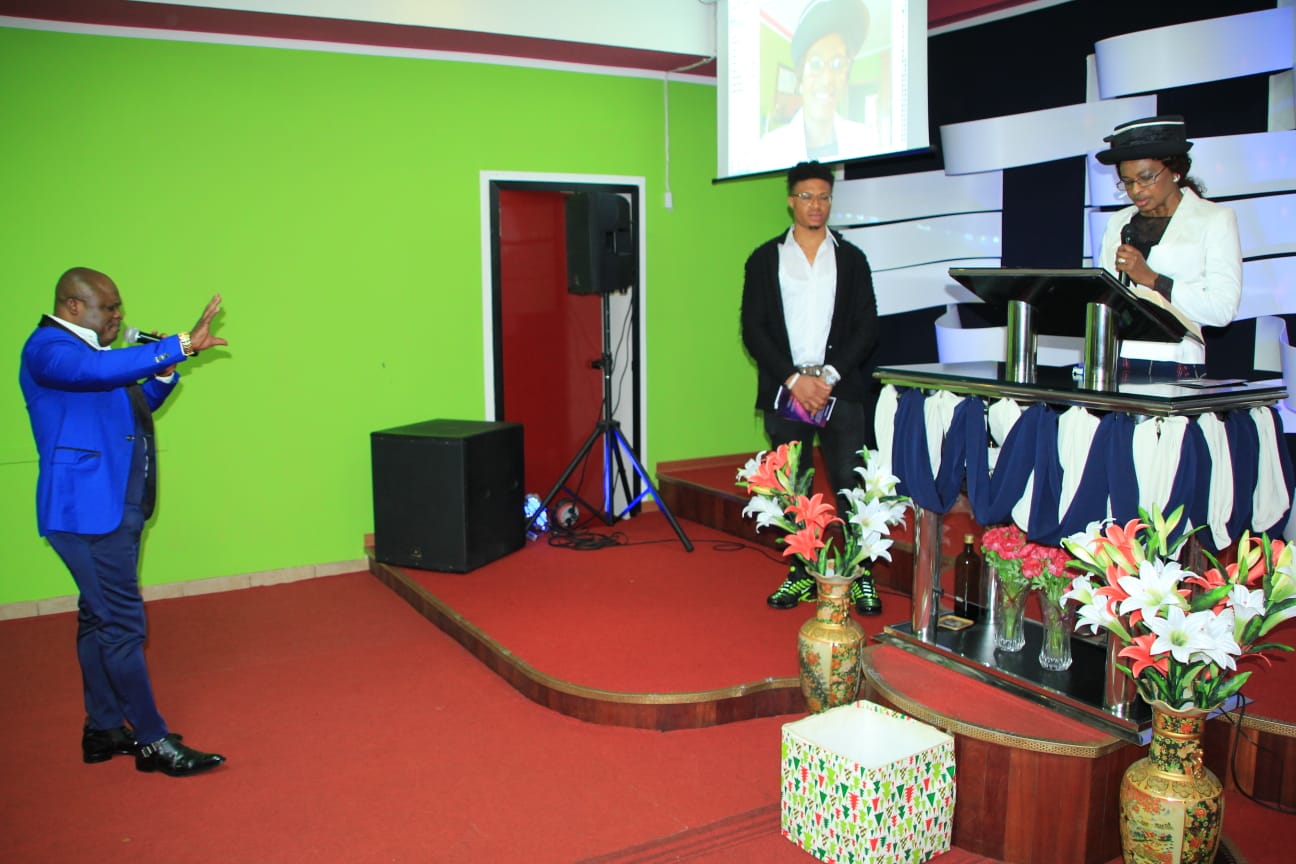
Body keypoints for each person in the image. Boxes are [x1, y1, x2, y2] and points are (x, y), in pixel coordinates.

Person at [19, 267, 229, 777]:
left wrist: (163, 373)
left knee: (98, 618)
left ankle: (105, 727)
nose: (118, 315)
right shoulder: (49, 349)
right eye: (109, 307)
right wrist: (179, 344)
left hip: (115, 504)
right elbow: (94, 374)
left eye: (118, 307)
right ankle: (152, 740)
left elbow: (131, 409)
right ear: (73, 306)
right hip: (87, 512)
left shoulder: (95, 357)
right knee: (121, 624)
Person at [741, 160, 881, 613]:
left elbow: (866, 327)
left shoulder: (852, 259)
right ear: (791, 201)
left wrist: (828, 378)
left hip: (840, 388)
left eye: (823, 197)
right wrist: (794, 379)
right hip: (788, 390)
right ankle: (801, 572)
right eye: (806, 196)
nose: (815, 205)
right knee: (793, 487)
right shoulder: (765, 259)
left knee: (851, 486)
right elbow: (753, 329)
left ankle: (860, 574)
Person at [1096, 115, 1242, 378]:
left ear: (1175, 171)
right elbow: (1104, 299)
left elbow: (1222, 311)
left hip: (1178, 362)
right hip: (1118, 359)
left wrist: (1153, 279)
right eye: (1127, 182)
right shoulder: (1118, 222)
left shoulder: (1215, 219)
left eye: (1146, 178)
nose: (1136, 190)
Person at [757, 0, 878, 168]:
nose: (827, 79)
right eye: (815, 64)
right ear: (800, 76)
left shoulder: (866, 141)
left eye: (837, 64)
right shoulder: (768, 150)